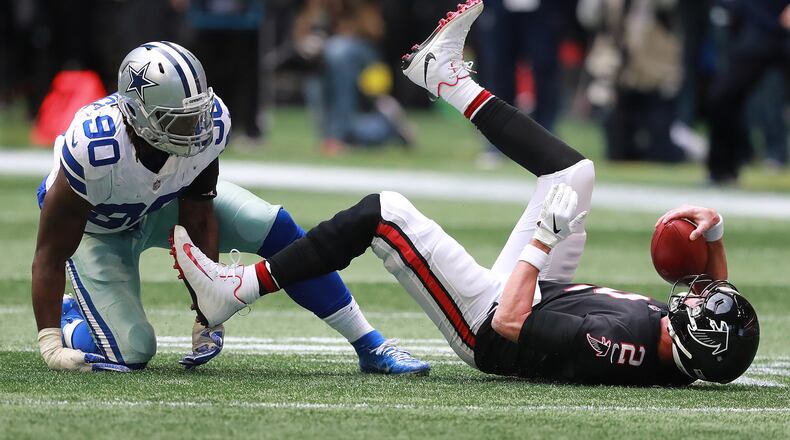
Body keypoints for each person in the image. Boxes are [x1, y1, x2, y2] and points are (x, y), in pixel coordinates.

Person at [171, 1, 760, 385]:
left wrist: (541, 243)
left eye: (692, 306)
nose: (693, 294)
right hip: (539, 293)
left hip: (489, 322)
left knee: (386, 212)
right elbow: (716, 304)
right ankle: (445, 77)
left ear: (684, 335)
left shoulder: (621, 344)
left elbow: (510, 323)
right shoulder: (683, 346)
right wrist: (716, 235)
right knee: (574, 175)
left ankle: (237, 290)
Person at [32, 41, 429, 375]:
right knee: (133, 351)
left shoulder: (210, 123)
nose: (197, 128)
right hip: (100, 229)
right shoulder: (96, 149)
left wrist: (208, 310)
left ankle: (370, 344)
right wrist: (49, 341)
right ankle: (70, 318)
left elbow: (198, 213)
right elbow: (49, 254)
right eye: (179, 120)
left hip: (162, 207)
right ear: (139, 116)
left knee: (269, 223)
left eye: (197, 113)